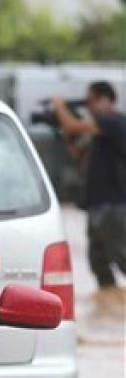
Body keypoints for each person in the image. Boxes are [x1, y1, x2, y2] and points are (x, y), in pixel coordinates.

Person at [53, 81, 126, 310]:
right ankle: (111, 309)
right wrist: (65, 132)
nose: (89, 107)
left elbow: (73, 125)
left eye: (91, 101)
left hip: (113, 205)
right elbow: (77, 151)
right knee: (98, 261)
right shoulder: (100, 132)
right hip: (96, 205)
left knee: (121, 256)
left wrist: (60, 107)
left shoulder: (114, 121)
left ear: (106, 100)